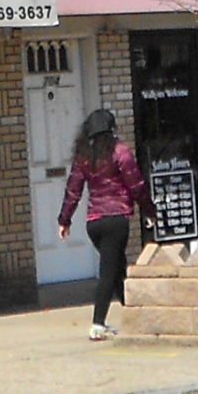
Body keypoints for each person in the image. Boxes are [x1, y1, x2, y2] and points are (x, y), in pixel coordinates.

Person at [56, 107, 153, 339]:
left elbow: (73, 190)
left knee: (117, 266)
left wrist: (64, 220)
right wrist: (150, 209)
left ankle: (134, 315)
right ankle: (98, 324)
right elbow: (136, 184)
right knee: (109, 272)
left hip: (94, 223)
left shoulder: (84, 156)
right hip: (116, 219)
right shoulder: (120, 152)